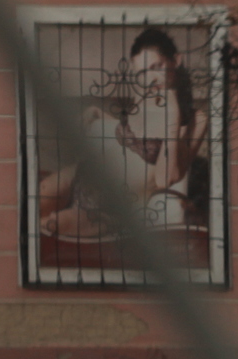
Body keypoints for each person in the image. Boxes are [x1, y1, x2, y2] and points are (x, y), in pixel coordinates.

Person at [39, 27, 209, 238]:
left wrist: (172, 116)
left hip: (112, 208)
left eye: (157, 67)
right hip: (85, 174)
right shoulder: (145, 98)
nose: (151, 79)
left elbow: (167, 178)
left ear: (176, 60)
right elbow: (133, 138)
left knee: (51, 225)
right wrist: (98, 114)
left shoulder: (195, 120)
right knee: (31, 205)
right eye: (143, 72)